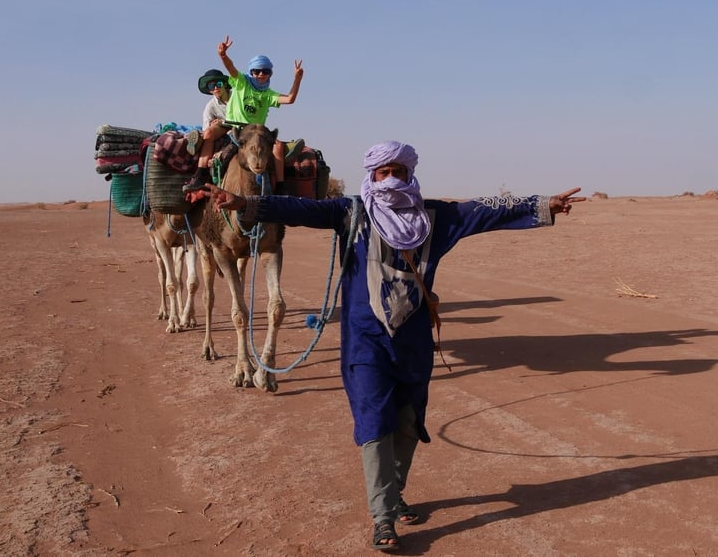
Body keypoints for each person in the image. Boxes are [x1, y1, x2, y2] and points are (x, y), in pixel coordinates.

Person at [201, 141, 586, 552]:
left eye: (396, 172)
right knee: (373, 422)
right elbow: (297, 208)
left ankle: (394, 491)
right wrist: (243, 201)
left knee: (407, 421)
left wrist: (543, 204)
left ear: (408, 174)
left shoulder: (436, 217)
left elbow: (486, 210)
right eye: (380, 173)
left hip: (414, 340)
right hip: (364, 341)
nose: (388, 180)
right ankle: (383, 518)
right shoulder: (351, 213)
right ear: (371, 175)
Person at [184, 35, 305, 194]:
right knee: (208, 134)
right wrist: (223, 55)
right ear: (251, 72)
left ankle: (281, 187)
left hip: (255, 130)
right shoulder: (242, 82)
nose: (261, 74)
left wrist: (297, 79)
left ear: (270, 73)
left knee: (278, 147)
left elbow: (290, 99)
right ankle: (200, 175)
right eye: (257, 71)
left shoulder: (268, 94)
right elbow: (231, 69)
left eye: (265, 71)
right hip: (232, 125)